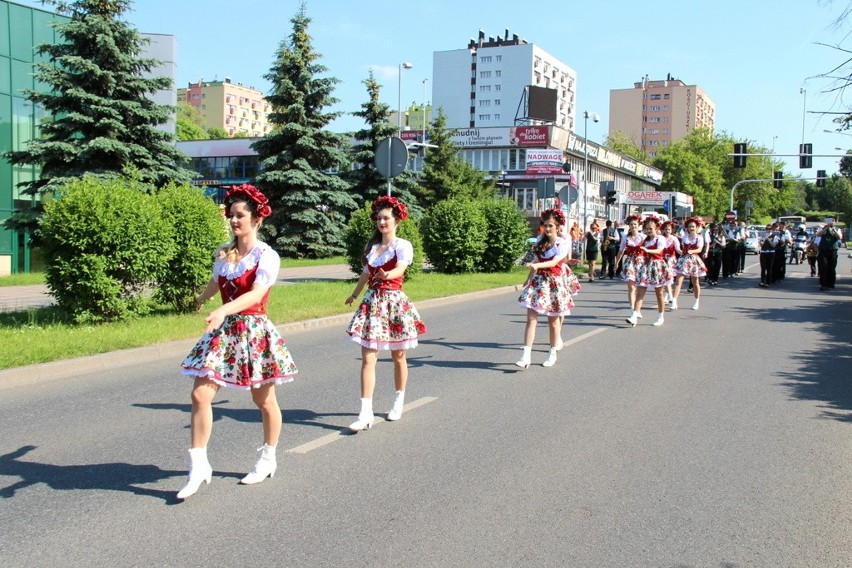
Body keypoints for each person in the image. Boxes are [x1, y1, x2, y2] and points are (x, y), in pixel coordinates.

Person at [178, 184, 298, 500]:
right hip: (225, 332)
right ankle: (199, 465)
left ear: (256, 219)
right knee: (200, 394)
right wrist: (199, 299)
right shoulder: (224, 253)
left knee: (264, 400)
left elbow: (256, 294)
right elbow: (216, 282)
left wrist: (222, 309)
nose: (234, 220)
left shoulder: (267, 256)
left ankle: (268, 457)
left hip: (254, 332)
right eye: (231, 215)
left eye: (240, 215)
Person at [345, 196, 427, 431]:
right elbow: (364, 274)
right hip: (372, 304)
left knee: (398, 356)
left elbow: (401, 268)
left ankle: (398, 400)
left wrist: (387, 275)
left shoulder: (402, 246)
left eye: (386, 218)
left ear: (397, 220)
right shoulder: (372, 248)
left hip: (394, 304)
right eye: (379, 218)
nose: (382, 222)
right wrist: (354, 294)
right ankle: (365, 412)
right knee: (368, 357)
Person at [516, 208, 576, 368]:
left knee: (553, 322)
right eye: (545, 225)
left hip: (554, 283)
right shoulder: (539, 241)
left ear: (557, 227)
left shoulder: (561, 243)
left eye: (550, 226)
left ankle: (552, 353)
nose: (547, 229)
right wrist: (527, 280)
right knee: (531, 318)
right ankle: (526, 356)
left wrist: (536, 265)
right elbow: (535, 261)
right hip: (538, 283)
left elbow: (553, 262)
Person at [627, 215, 671, 327]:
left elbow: (660, 250)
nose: (648, 230)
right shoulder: (645, 240)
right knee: (640, 291)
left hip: (657, 266)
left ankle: (661, 316)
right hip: (646, 266)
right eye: (647, 228)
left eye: (651, 228)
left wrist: (647, 250)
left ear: (656, 228)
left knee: (659, 293)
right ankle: (634, 315)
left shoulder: (660, 238)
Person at [671, 217, 707, 310]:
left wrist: (692, 251)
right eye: (690, 227)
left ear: (696, 227)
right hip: (684, 260)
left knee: (695, 282)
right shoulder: (685, 237)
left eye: (693, 227)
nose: (691, 228)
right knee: (678, 281)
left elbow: (699, 249)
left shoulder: (699, 238)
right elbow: (682, 248)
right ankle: (674, 301)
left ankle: (696, 301)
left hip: (694, 260)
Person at [615, 215, 643, 320]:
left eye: (635, 224)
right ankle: (633, 310)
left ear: (638, 225)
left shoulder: (643, 237)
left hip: (641, 263)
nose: (633, 226)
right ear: (629, 226)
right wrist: (617, 262)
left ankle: (637, 309)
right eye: (631, 224)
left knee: (640, 288)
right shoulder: (625, 238)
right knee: (631, 287)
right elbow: (621, 251)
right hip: (630, 262)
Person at [816, 218, 843, 291]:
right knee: (823, 266)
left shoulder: (837, 229)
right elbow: (818, 234)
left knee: (831, 267)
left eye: (833, 222)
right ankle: (823, 284)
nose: (831, 223)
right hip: (823, 249)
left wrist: (833, 229)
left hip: (833, 250)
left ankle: (831, 283)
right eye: (830, 222)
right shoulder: (822, 228)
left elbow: (839, 237)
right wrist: (826, 227)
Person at [660, 220, 681, 305]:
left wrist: (685, 253)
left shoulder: (674, 238)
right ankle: (668, 296)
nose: (667, 231)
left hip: (671, 261)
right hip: (662, 260)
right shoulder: (660, 238)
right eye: (666, 229)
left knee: (668, 278)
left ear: (671, 230)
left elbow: (678, 249)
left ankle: (670, 297)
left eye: (669, 229)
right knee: (665, 279)